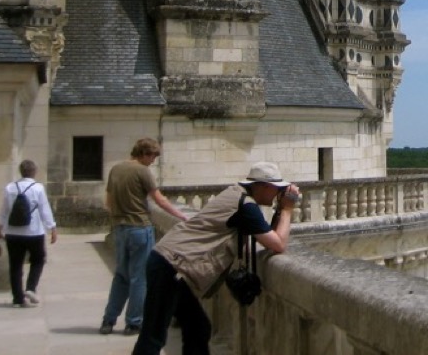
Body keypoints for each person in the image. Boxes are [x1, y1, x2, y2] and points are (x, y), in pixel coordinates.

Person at [132, 161, 301, 355]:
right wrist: (287, 209)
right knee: (154, 336)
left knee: (198, 328)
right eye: (275, 189)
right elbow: (278, 244)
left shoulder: (238, 195)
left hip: (170, 263)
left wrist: (280, 208)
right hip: (171, 266)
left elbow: (265, 236)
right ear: (263, 186)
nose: (276, 193)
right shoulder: (246, 206)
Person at [100, 138, 188, 336]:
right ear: (145, 154)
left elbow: (108, 201)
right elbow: (159, 200)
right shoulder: (142, 171)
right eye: (153, 157)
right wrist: (182, 215)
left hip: (119, 228)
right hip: (139, 227)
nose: (153, 162)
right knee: (139, 277)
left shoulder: (116, 169)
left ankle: (108, 320)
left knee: (121, 275)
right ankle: (133, 322)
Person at [0, 159, 57, 308]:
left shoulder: (10, 188)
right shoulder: (38, 188)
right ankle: (30, 288)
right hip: (34, 231)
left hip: (12, 232)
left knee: (15, 265)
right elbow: (44, 209)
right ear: (34, 172)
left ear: (20, 171)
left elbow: (4, 211)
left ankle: (17, 298)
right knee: (38, 260)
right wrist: (52, 228)